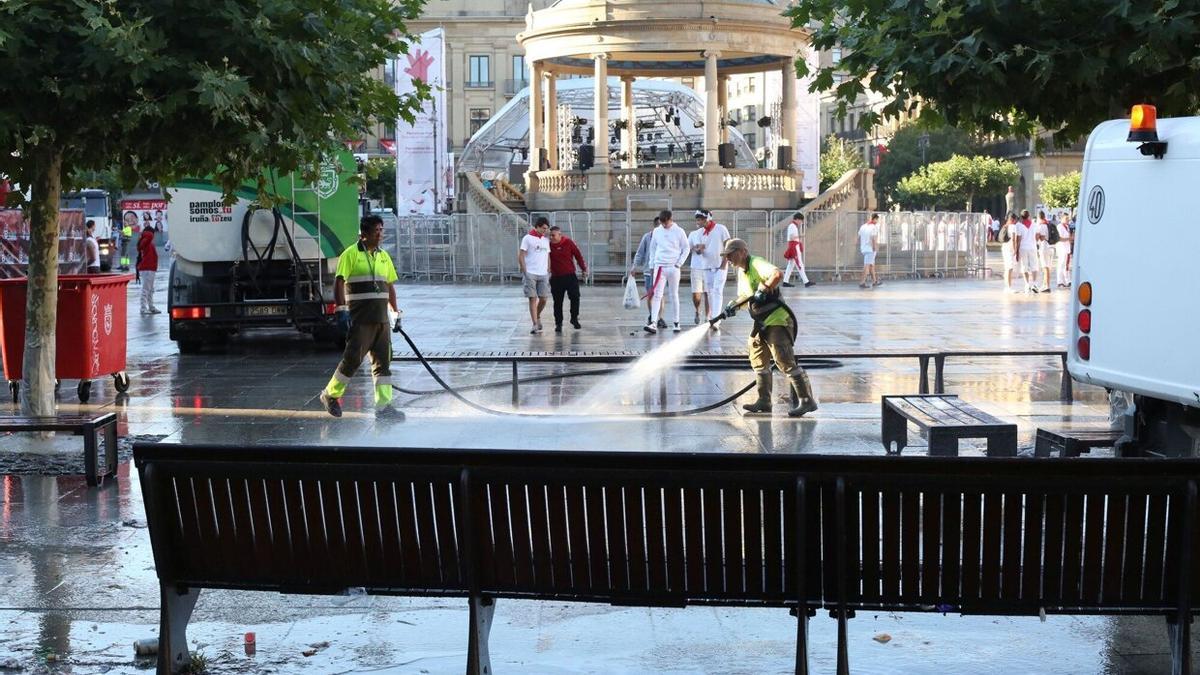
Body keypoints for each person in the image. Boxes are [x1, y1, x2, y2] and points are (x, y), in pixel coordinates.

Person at [718, 238, 817, 417]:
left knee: (784, 360)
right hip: (761, 321)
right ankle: (764, 400)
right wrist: (733, 306)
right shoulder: (742, 272)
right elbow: (745, 296)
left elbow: (777, 274)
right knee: (757, 356)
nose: (728, 259)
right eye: (726, 256)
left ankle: (806, 400)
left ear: (742, 252)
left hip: (777, 319)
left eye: (730, 255)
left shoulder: (756, 263)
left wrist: (764, 287)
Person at [319, 215, 403, 420]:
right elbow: (339, 282)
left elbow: (390, 286)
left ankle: (384, 407)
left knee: (383, 362)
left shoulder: (384, 256)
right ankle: (330, 395)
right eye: (377, 231)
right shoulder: (350, 254)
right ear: (364, 234)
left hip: (381, 320)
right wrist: (341, 309)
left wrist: (396, 313)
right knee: (352, 360)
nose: (381, 234)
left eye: (382, 230)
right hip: (361, 319)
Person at [644, 209, 690, 334]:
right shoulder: (657, 231)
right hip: (660, 267)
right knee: (657, 295)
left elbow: (686, 248)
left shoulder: (679, 231)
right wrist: (652, 266)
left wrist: (679, 263)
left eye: (666, 222)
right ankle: (653, 322)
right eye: (662, 223)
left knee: (673, 294)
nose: (664, 225)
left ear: (671, 219)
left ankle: (676, 322)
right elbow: (653, 249)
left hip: (673, 267)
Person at [688, 210, 731, 328]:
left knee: (717, 291)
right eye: (697, 219)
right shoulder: (699, 233)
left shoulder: (721, 229)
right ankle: (713, 317)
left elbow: (728, 245)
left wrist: (724, 263)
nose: (698, 222)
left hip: (720, 266)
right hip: (706, 267)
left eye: (700, 219)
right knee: (711, 293)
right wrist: (699, 250)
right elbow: (699, 249)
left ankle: (716, 319)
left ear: (707, 219)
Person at [548, 225, 587, 332]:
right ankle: (558, 323)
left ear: (560, 235)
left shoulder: (568, 242)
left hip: (570, 276)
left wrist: (583, 269)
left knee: (575, 297)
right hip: (556, 278)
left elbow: (578, 255)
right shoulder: (548, 245)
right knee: (557, 302)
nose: (551, 238)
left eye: (553, 235)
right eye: (550, 235)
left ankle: (574, 318)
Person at [518, 217, 551, 334]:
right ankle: (535, 324)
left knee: (544, 298)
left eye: (546, 229)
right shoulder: (527, 238)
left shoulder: (546, 240)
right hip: (530, 272)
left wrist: (548, 268)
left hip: (543, 273)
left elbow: (547, 255)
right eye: (543, 228)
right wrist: (524, 269)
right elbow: (521, 254)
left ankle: (538, 316)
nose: (545, 230)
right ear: (537, 227)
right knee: (532, 298)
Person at [629, 219, 664, 327]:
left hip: (662, 270)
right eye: (659, 225)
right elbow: (640, 253)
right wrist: (634, 267)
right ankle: (651, 315)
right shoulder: (647, 237)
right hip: (649, 271)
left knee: (660, 294)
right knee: (650, 294)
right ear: (655, 226)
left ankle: (660, 318)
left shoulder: (666, 237)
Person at [781, 212, 815, 288]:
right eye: (801, 220)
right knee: (799, 264)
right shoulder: (793, 226)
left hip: (793, 245)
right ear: (797, 219)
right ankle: (806, 282)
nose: (801, 222)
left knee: (791, 265)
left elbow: (791, 237)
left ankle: (785, 281)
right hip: (794, 246)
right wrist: (800, 236)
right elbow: (792, 237)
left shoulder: (792, 226)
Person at [136, 223, 160, 314]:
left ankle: (151, 307)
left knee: (150, 289)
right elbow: (149, 235)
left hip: (149, 268)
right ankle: (143, 308)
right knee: (146, 289)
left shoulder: (145, 241)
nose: (153, 236)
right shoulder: (146, 240)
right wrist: (146, 232)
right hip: (148, 268)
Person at [1014, 209, 1039, 292]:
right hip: (1032, 247)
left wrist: (1016, 251)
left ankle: (1027, 284)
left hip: (1023, 248)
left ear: (1021, 217)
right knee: (1034, 266)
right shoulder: (1035, 224)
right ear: (1029, 216)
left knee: (1024, 266)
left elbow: (1018, 239)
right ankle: (1034, 284)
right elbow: (1037, 237)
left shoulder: (1019, 225)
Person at [858, 213, 881, 288]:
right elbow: (873, 238)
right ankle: (862, 282)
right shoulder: (874, 227)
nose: (877, 221)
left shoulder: (863, 226)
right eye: (877, 219)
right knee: (867, 265)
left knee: (871, 265)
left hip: (863, 248)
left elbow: (859, 236)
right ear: (875, 219)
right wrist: (875, 247)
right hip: (870, 249)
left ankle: (875, 281)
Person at [1035, 210, 1052, 293]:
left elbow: (1040, 237)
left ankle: (1046, 285)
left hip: (1043, 246)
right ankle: (1046, 284)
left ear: (1038, 217)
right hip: (1047, 246)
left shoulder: (1041, 225)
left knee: (1045, 266)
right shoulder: (1047, 224)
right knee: (1047, 266)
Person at [999, 212, 1017, 293]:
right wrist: (1015, 249)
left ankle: (1007, 286)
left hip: (1004, 248)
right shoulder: (1012, 226)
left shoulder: (1005, 225)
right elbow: (1013, 239)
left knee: (1007, 267)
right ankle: (1009, 287)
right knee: (1010, 267)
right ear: (1013, 219)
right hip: (1010, 249)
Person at [1054, 214, 1073, 288]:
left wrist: (1070, 239)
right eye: (1066, 219)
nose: (1068, 220)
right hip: (1061, 248)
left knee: (1067, 265)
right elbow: (1059, 238)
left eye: (1068, 219)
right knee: (1061, 264)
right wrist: (1069, 239)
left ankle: (1067, 280)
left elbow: (1067, 237)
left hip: (1067, 248)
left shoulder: (1067, 226)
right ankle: (1060, 281)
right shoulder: (1059, 227)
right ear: (1061, 219)